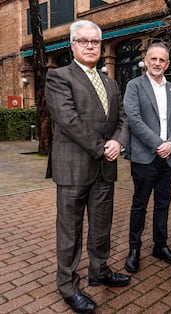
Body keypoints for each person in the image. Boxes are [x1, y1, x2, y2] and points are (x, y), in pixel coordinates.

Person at [45, 20, 130, 314]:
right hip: (73, 168)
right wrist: (101, 147)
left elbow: (122, 119)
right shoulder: (59, 77)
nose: (91, 46)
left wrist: (118, 142)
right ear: (72, 45)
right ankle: (68, 286)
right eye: (84, 41)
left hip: (105, 169)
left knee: (101, 226)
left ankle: (100, 271)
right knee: (70, 232)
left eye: (95, 41)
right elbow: (68, 120)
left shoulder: (110, 82)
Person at [123, 42, 171, 273]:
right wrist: (159, 144)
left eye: (162, 60)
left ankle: (160, 245)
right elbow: (133, 118)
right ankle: (134, 249)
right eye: (153, 59)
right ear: (146, 61)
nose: (157, 63)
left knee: (163, 204)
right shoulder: (134, 86)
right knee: (139, 205)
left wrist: (170, 144)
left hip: (168, 157)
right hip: (144, 157)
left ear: (167, 64)